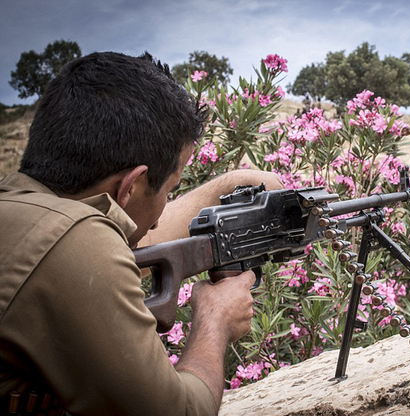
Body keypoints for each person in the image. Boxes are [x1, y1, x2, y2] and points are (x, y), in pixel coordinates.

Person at [0, 51, 282, 415]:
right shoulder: (78, 243)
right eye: (169, 189)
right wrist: (215, 321)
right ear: (130, 187)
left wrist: (231, 184)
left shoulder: (21, 209)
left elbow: (137, 236)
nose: (164, 207)